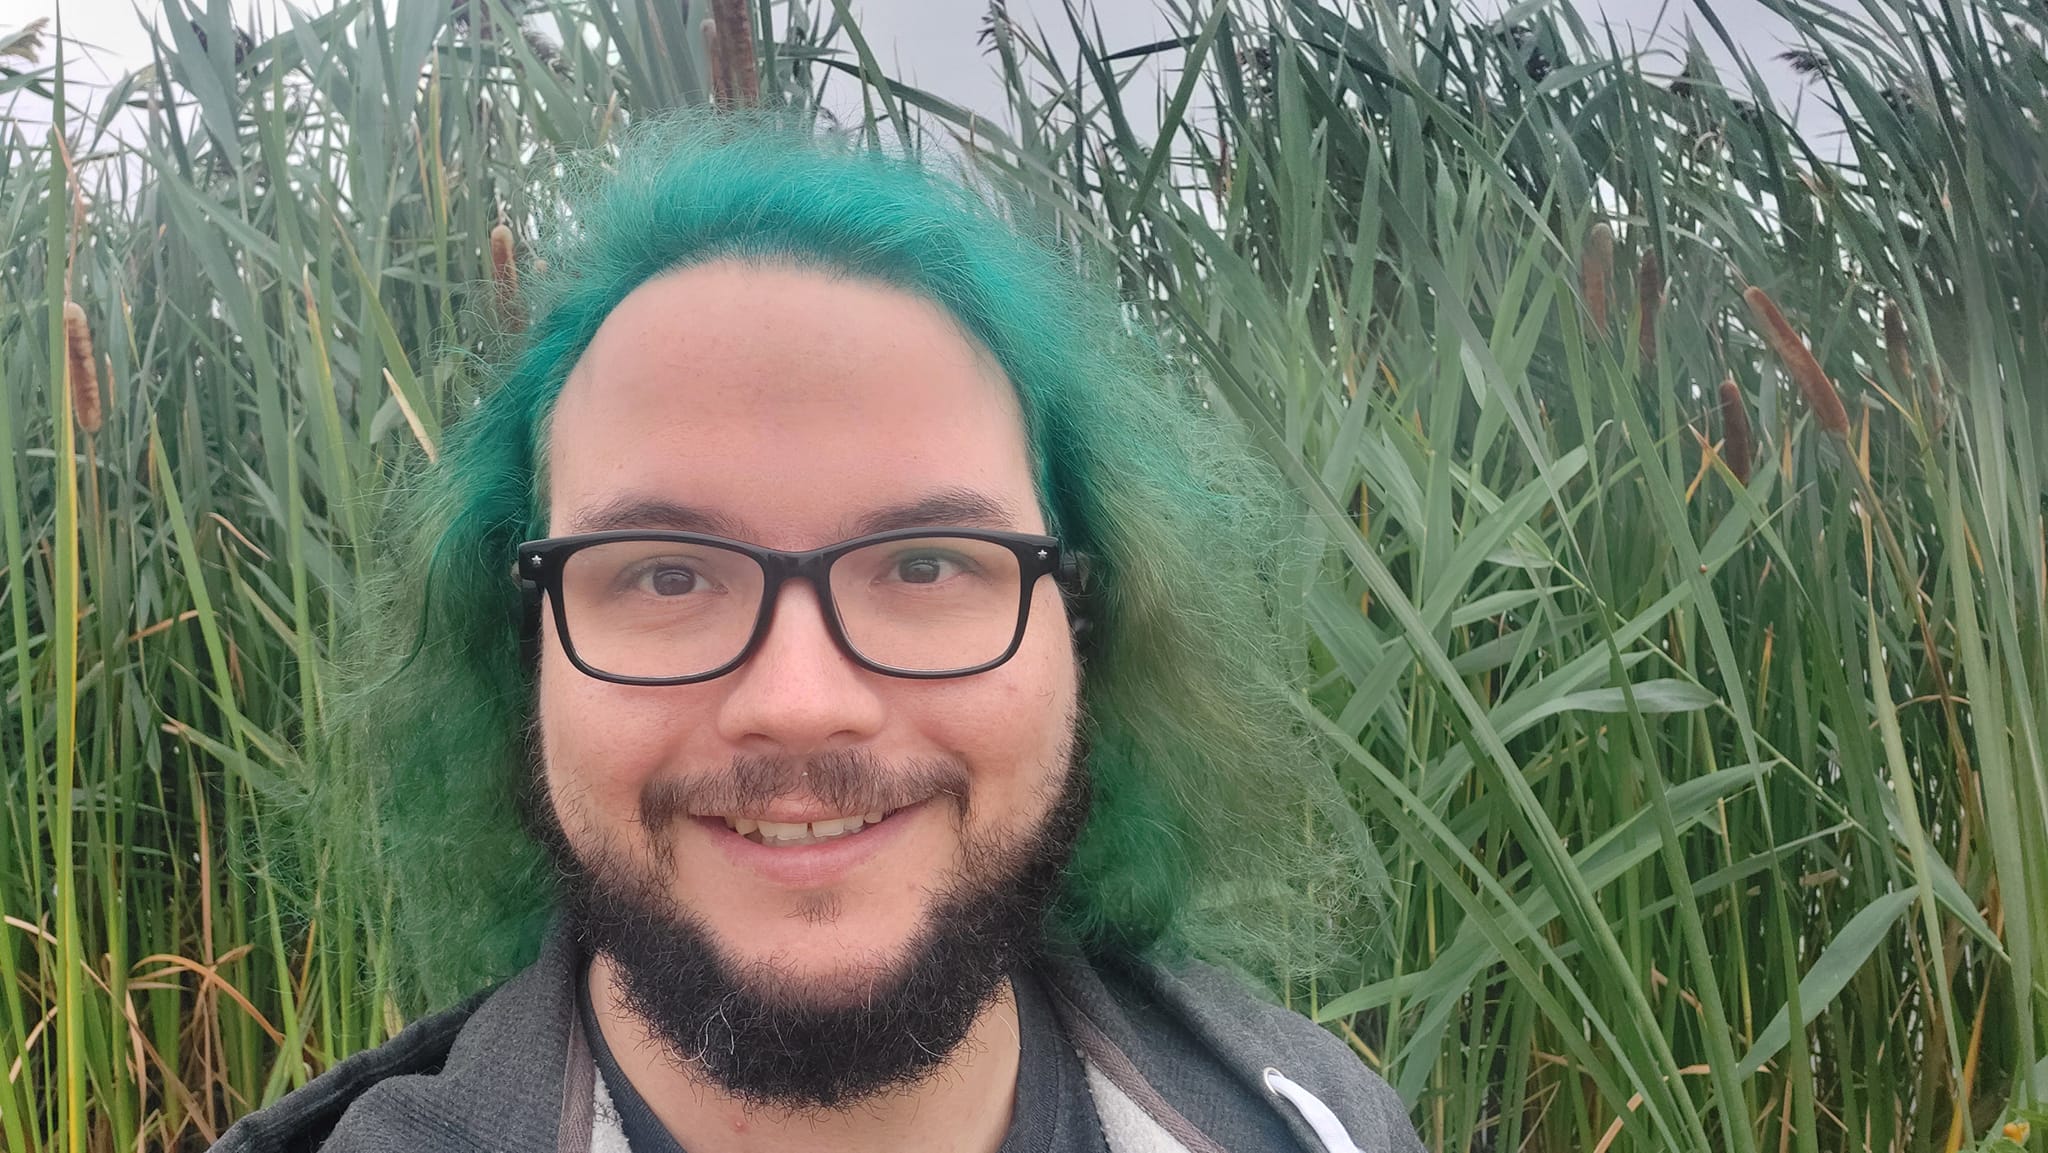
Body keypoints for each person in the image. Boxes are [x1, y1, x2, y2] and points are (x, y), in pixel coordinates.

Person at [215, 113, 1423, 1153]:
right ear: (522, 653)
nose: (798, 700)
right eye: (666, 574)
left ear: (1085, 628)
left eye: (926, 562)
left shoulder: (1309, 1119)